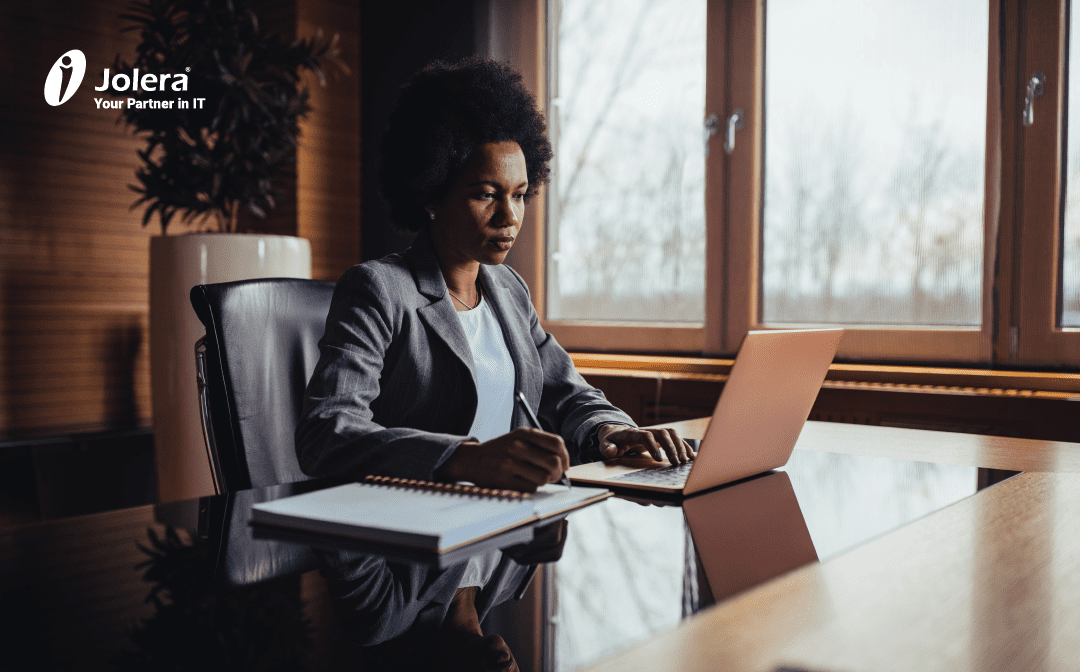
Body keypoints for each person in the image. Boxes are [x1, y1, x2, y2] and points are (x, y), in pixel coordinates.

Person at [295, 56, 694, 670]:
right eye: (486, 194)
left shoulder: (508, 291)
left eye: (520, 195)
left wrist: (613, 432)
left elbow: (565, 393)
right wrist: (467, 460)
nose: (510, 218)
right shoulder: (379, 290)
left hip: (492, 526)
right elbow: (327, 432)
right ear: (431, 192)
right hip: (400, 533)